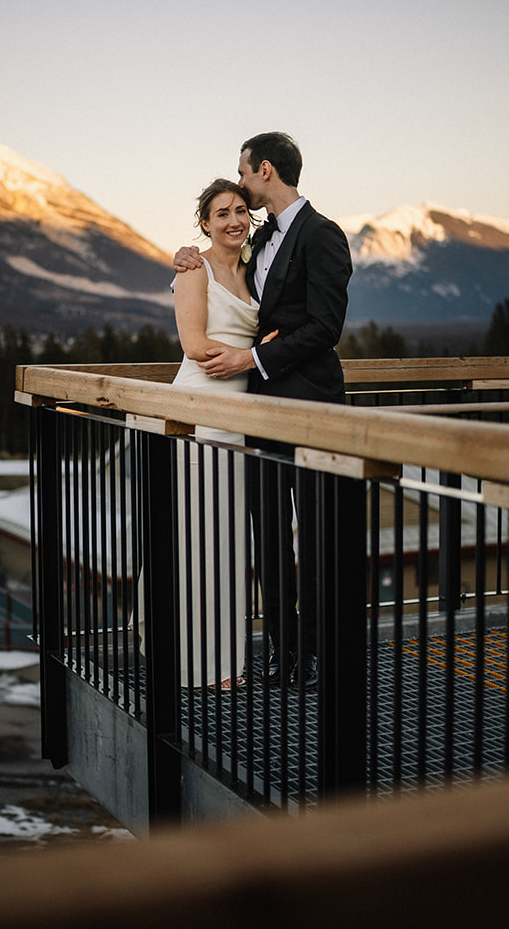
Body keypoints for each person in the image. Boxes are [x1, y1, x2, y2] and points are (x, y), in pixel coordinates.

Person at [174, 132, 353, 691]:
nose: (240, 197)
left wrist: (253, 355)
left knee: (318, 537)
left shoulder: (322, 235)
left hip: (310, 406)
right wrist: (187, 257)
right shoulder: (259, 242)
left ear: (265, 171)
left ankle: (321, 656)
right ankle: (282, 650)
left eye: (243, 176)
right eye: (223, 210)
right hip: (254, 411)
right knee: (268, 536)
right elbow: (212, 280)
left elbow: (325, 327)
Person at [165, 178, 263, 689]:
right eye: (221, 213)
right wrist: (246, 357)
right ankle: (195, 666)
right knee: (198, 538)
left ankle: (228, 662)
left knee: (229, 541)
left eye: (241, 210)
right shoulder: (192, 269)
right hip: (201, 409)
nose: (233, 220)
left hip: (240, 416)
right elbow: (194, 342)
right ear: (204, 223)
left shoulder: (257, 268)